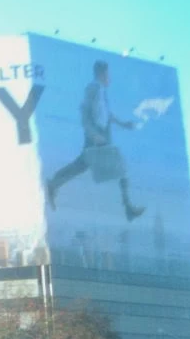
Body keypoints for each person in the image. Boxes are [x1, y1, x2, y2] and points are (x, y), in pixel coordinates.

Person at [46, 60, 145, 221]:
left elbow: (107, 114)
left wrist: (123, 124)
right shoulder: (93, 88)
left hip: (101, 136)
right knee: (119, 166)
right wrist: (94, 135)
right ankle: (128, 208)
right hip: (96, 137)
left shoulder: (101, 91)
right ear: (103, 74)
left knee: (81, 166)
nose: (110, 78)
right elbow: (84, 114)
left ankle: (53, 184)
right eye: (108, 74)